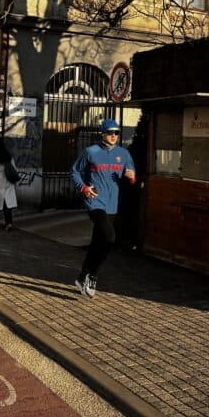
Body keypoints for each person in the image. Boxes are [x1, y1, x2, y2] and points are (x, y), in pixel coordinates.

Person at [70, 118, 136, 298]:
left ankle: (81, 276)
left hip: (112, 204)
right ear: (103, 134)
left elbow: (131, 174)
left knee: (98, 242)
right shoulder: (90, 152)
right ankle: (92, 276)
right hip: (95, 201)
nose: (113, 136)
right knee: (109, 237)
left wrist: (131, 177)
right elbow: (75, 171)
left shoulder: (123, 154)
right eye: (110, 132)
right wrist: (83, 187)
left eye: (116, 133)